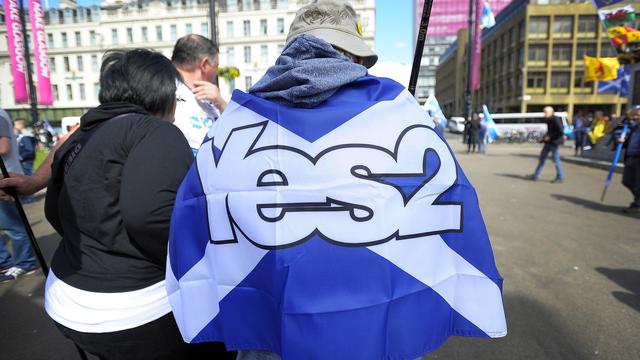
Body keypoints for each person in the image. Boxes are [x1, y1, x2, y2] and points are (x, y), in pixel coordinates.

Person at [42, 49, 232, 359]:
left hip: (66, 303)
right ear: (162, 94)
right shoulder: (157, 131)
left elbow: (54, 212)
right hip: (134, 313)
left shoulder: (80, 137)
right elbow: (150, 217)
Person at [171, 34, 227, 154]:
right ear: (205, 64)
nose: (216, 72)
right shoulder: (166, 90)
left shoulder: (212, 96)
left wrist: (222, 104)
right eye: (215, 66)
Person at [0, 108, 38, 283]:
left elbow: (4, 147)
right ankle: (5, 262)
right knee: (9, 225)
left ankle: (26, 262)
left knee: (13, 226)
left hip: (5, 179)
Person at [527, 106, 564, 183]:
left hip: (554, 143)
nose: (544, 114)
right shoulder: (549, 119)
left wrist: (550, 137)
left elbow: (560, 131)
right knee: (542, 159)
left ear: (551, 112)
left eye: (546, 112)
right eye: (544, 112)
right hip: (549, 142)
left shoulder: (555, 119)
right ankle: (536, 175)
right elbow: (550, 131)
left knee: (556, 160)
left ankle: (560, 177)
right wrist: (544, 138)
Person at [619, 106, 640, 214]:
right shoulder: (635, 127)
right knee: (626, 181)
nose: (636, 117)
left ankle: (637, 204)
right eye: (635, 115)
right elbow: (620, 125)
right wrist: (623, 140)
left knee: (637, 184)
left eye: (638, 115)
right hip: (630, 157)